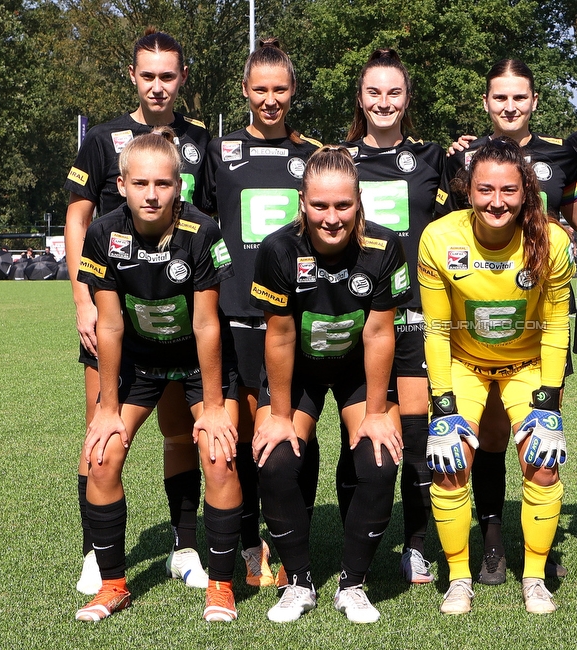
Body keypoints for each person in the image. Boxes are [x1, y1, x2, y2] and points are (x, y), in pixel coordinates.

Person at [63, 28, 210, 596]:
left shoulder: (200, 141)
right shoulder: (102, 139)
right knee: (101, 432)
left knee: (180, 433)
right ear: (133, 76)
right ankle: (96, 556)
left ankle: (185, 546)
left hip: (174, 313)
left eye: (167, 75)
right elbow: (77, 218)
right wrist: (81, 296)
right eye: (147, 75)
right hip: (111, 310)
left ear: (182, 79)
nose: (157, 86)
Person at [74, 128, 242, 622]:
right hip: (140, 362)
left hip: (198, 362)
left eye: (164, 184)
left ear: (179, 188)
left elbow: (208, 323)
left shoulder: (202, 232)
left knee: (219, 455)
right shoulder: (103, 233)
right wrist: (106, 409)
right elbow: (109, 323)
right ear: (121, 184)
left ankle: (221, 585)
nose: (152, 194)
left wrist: (212, 406)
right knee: (102, 456)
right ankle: (112, 585)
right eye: (141, 183)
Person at [250, 146, 410, 624]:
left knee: (379, 461)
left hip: (359, 370)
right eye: (320, 205)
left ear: (359, 201)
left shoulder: (383, 247)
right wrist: (279, 417)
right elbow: (278, 336)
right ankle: (299, 583)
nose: (332, 217)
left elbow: (381, 333)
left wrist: (378, 414)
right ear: (302, 202)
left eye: (343, 205)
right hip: (297, 371)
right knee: (275, 461)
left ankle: (352, 584)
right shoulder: (278, 249)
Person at [419, 138, 573, 615]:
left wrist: (547, 399)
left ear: (526, 192)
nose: (497, 201)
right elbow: (438, 329)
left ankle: (534, 576)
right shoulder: (439, 239)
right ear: (468, 190)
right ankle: (459, 577)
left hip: (527, 364)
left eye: (509, 190)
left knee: (543, 461)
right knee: (448, 463)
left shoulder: (552, 240)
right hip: (464, 362)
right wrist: (443, 403)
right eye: (486, 189)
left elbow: (555, 325)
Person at [444, 58, 577, 585]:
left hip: (540, 313)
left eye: (519, 97)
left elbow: (576, 216)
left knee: (531, 433)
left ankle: (531, 548)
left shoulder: (560, 153)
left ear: (534, 101)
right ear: (486, 102)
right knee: (489, 436)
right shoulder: (464, 156)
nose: (509, 106)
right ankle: (493, 536)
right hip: (477, 317)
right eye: (499, 97)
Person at [202, 38, 321, 588]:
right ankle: (250, 545)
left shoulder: (313, 154)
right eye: (260, 90)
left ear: (293, 91)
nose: (270, 100)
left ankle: (292, 535)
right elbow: (202, 224)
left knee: (298, 432)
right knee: (248, 431)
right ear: (245, 92)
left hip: (293, 319)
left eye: (279, 90)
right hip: (234, 313)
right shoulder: (219, 151)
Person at [340, 49, 448, 585]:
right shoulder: (337, 160)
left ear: (408, 100)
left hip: (412, 316)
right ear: (360, 99)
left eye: (394, 93)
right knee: (355, 433)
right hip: (349, 315)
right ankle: (352, 536)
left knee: (412, 434)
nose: (384, 102)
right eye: (374, 93)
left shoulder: (433, 159)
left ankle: (415, 544)